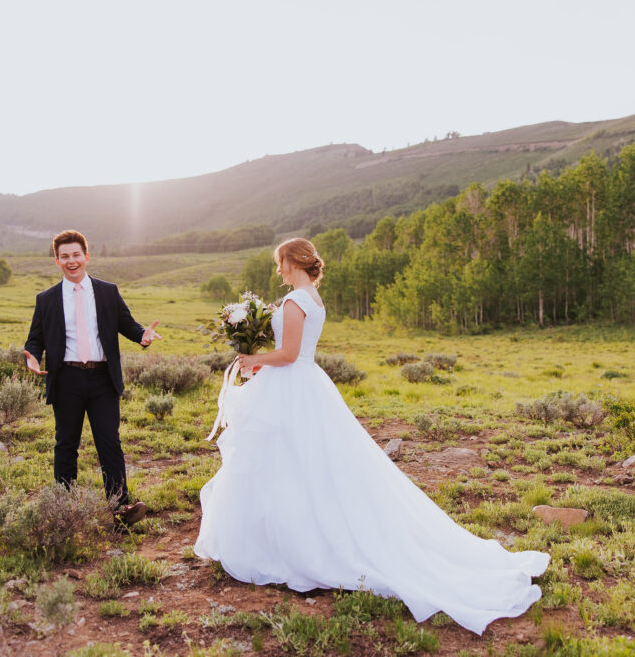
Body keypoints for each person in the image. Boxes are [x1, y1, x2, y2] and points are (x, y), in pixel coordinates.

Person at [194, 238, 549, 635]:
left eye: (280, 262)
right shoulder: (312, 298)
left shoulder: (295, 301)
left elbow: (290, 354)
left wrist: (254, 359)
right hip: (303, 385)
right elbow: (295, 352)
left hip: (293, 386)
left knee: (289, 463)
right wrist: (263, 363)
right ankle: (288, 535)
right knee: (303, 463)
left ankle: (291, 545)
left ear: (294, 261)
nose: (278, 270)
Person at [23, 229, 162, 525]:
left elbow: (127, 323)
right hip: (66, 379)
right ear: (57, 261)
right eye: (64, 256)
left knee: (109, 442)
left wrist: (142, 335)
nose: (71, 261)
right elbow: (35, 338)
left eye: (76, 254)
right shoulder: (46, 299)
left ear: (86, 256)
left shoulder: (107, 291)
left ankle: (120, 508)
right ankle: (63, 509)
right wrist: (32, 356)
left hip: (102, 379)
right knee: (66, 444)